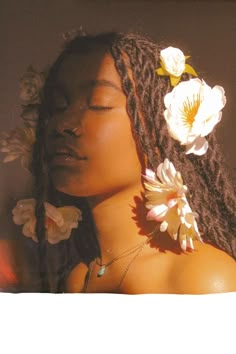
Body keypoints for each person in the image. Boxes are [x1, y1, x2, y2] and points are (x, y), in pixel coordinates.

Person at [15, 31, 236, 293]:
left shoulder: (202, 278)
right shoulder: (79, 278)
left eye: (98, 104)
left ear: (158, 128)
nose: (63, 124)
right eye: (56, 107)